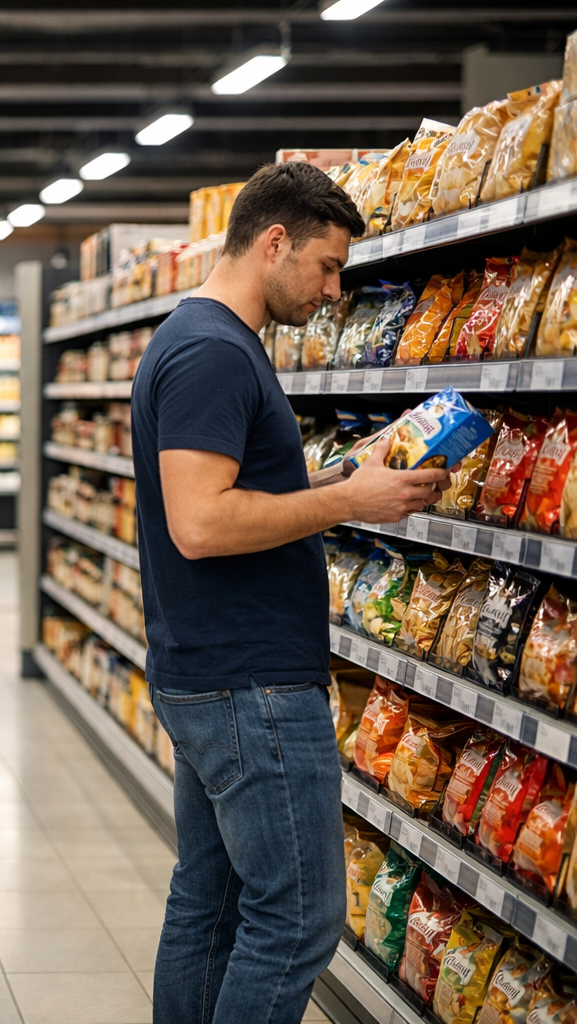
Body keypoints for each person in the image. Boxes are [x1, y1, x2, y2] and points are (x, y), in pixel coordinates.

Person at [129, 161, 453, 1024]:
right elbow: (200, 523)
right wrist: (348, 503)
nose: (335, 290)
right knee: (299, 918)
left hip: (210, 669)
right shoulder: (212, 351)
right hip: (251, 682)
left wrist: (338, 472)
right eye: (327, 265)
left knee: (213, 904)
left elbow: (235, 488)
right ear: (274, 241)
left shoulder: (199, 338)